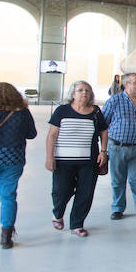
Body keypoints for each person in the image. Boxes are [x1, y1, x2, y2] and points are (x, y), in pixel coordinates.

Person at [45, 81, 107, 237]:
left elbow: (103, 131)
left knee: (85, 193)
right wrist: (49, 157)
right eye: (80, 90)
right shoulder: (62, 111)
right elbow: (52, 135)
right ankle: (58, 213)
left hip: (89, 161)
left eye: (87, 90)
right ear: (73, 94)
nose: (84, 93)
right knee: (61, 191)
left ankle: (77, 224)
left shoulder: (96, 112)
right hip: (63, 161)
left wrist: (103, 151)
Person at [102, 73, 136, 223]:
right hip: (117, 148)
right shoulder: (114, 101)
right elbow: (102, 124)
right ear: (126, 85)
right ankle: (118, 208)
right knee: (118, 180)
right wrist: (103, 150)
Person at [0, 83, 37, 249]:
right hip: (13, 160)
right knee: (8, 197)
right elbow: (32, 134)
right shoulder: (22, 114)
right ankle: (6, 237)